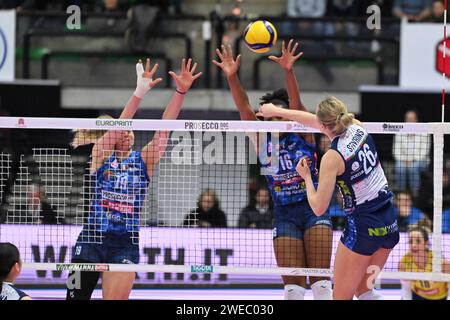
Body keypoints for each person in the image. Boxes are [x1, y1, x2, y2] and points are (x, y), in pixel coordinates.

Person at [66, 57, 201, 300]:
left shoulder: (144, 160)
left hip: (124, 243)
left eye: (130, 128)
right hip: (91, 239)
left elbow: (164, 129)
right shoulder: (101, 154)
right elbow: (118, 126)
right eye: (123, 129)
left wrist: (180, 91)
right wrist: (139, 92)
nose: (127, 132)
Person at [213, 41, 333, 300]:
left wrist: (288, 70)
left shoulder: (305, 133)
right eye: (272, 117)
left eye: (281, 116)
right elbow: (245, 109)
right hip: (284, 214)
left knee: (322, 285)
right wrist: (232, 77)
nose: (277, 121)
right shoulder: (261, 139)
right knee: (293, 290)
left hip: (315, 210)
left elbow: (298, 105)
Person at [257, 96, 400, 300]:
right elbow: (310, 120)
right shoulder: (358, 127)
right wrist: (276, 111)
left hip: (364, 228)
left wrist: (306, 177)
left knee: (340, 297)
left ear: (323, 125)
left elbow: (318, 207)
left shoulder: (332, 157)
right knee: (365, 291)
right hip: (389, 223)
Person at [399, 225, 450, 300]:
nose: (413, 245)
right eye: (410, 241)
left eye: (418, 241)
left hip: (439, 297)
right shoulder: (404, 263)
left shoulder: (441, 263)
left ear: (427, 243)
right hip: (416, 295)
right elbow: (406, 289)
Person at [392, 110, 431, 197]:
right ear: (405, 120)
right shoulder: (399, 132)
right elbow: (396, 151)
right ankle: (400, 195)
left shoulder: (424, 132)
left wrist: (412, 160)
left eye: (412, 119)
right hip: (403, 161)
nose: (410, 121)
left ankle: (415, 195)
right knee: (399, 167)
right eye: (408, 119)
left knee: (413, 168)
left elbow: (424, 152)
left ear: (416, 120)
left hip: (421, 161)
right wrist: (404, 160)